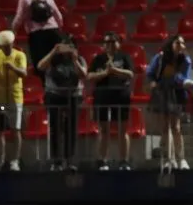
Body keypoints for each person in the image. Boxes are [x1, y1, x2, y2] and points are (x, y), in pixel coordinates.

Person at [38, 35, 87, 172]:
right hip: (55, 96)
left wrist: (75, 60)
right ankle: (56, 160)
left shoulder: (79, 59)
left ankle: (69, 160)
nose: (66, 49)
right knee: (55, 129)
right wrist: (54, 51)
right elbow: (40, 66)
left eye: (69, 45)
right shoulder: (53, 59)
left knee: (70, 129)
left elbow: (83, 75)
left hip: (73, 97)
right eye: (64, 45)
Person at [147, 35, 193, 171]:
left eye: (183, 43)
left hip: (177, 94)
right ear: (171, 44)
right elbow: (150, 73)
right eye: (178, 42)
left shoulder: (185, 60)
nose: (181, 45)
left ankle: (181, 159)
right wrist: (153, 82)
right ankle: (169, 159)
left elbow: (183, 77)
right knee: (165, 127)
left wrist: (180, 81)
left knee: (176, 127)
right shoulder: (160, 57)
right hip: (162, 93)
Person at [87, 32, 134, 171]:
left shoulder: (124, 57)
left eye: (113, 42)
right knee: (104, 130)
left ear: (118, 44)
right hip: (102, 95)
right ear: (103, 45)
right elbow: (90, 76)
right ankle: (102, 161)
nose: (110, 44)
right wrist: (105, 73)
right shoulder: (98, 59)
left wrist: (114, 70)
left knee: (122, 130)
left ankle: (124, 161)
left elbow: (130, 74)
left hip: (121, 95)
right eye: (107, 42)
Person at [0, 30, 28, 171]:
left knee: (15, 130)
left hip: (15, 98)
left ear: (12, 43)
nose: (6, 48)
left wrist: (13, 67)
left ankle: (15, 161)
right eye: (3, 46)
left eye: (8, 46)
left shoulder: (20, 55)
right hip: (0, 99)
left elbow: (24, 73)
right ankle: (0, 160)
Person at [12, 0, 63, 84]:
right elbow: (58, 14)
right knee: (58, 63)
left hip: (37, 35)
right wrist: (59, 29)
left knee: (41, 66)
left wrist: (13, 30)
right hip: (54, 32)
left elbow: (19, 17)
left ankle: (47, 88)